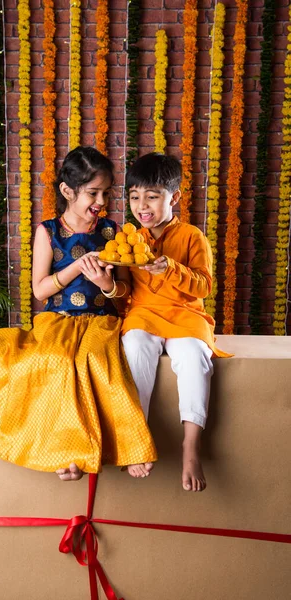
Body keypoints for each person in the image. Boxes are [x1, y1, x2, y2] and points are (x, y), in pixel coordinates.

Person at [0, 147, 157, 481]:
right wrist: (77, 267)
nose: (101, 202)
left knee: (99, 362)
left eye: (106, 193)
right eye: (92, 193)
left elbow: (125, 291)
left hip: (102, 320)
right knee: (54, 362)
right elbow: (40, 290)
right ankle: (64, 454)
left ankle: (128, 449)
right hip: (57, 320)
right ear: (67, 191)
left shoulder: (113, 231)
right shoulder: (48, 231)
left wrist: (106, 284)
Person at [119, 153, 231, 492]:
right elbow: (123, 292)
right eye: (134, 197)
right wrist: (107, 284)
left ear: (175, 198)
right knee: (135, 346)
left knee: (195, 355)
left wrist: (171, 268)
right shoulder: (129, 240)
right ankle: (136, 437)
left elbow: (204, 286)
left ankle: (191, 446)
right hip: (143, 314)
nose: (142, 205)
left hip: (186, 316)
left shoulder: (192, 236)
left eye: (152, 196)